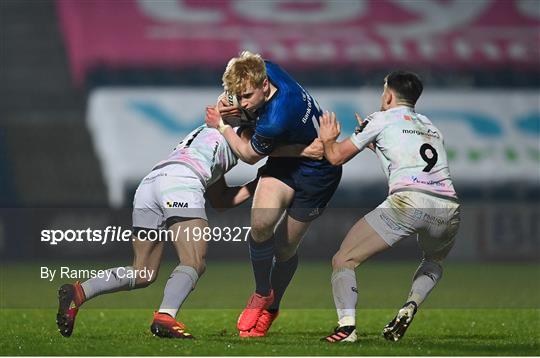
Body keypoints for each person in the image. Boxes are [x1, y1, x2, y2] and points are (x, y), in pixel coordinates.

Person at [56, 117, 323, 339]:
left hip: (151, 183)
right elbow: (255, 152)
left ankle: (79, 292)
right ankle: (165, 317)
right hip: (182, 182)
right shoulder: (234, 134)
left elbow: (220, 200)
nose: (263, 142)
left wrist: (260, 184)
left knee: (143, 272)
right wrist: (300, 153)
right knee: (194, 261)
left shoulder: (209, 138)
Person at [205, 51, 342, 337]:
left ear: (264, 86)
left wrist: (221, 124)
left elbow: (248, 155)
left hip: (318, 173)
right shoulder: (263, 69)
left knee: (284, 248)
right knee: (260, 224)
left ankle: (272, 307)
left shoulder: (276, 118)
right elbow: (232, 101)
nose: (241, 102)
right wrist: (234, 106)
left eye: (246, 96)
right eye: (237, 96)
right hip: (286, 164)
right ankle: (261, 293)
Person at [319, 71, 460, 343]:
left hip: (408, 201)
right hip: (448, 206)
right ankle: (411, 304)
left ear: (388, 95)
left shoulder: (380, 118)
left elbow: (335, 157)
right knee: (433, 261)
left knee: (344, 259)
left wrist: (328, 139)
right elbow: (409, 158)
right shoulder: (430, 126)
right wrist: (375, 143)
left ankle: (346, 328)